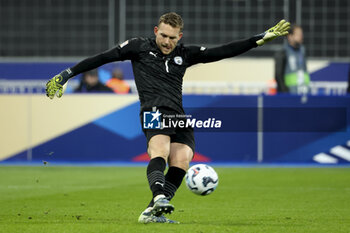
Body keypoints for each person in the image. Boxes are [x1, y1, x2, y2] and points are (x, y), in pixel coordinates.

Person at [46, 12, 290, 224]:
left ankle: (153, 209)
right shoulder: (137, 46)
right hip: (152, 111)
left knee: (182, 159)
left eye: (173, 38)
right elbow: (102, 58)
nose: (167, 41)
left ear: (180, 37)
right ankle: (159, 196)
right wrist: (67, 74)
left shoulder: (185, 54)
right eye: (163, 35)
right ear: (156, 31)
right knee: (159, 150)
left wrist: (260, 39)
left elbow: (223, 51)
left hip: (178, 114)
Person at [275, 25, 310, 94]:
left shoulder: (302, 51)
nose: (301, 36)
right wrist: (285, 93)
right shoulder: (283, 52)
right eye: (298, 34)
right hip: (289, 94)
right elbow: (278, 76)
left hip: (303, 92)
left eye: (301, 34)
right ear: (290, 37)